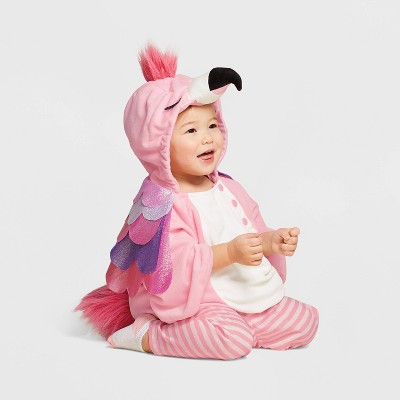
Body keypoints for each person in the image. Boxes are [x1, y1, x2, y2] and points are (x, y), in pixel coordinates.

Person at [76, 44, 319, 360]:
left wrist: (272, 241)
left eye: (212, 125)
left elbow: (253, 230)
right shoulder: (164, 204)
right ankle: (149, 335)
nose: (207, 138)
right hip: (197, 302)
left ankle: (240, 324)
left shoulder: (230, 188)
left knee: (305, 322)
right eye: (191, 130)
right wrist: (230, 252)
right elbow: (174, 262)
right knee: (232, 341)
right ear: (159, 144)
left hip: (239, 292)